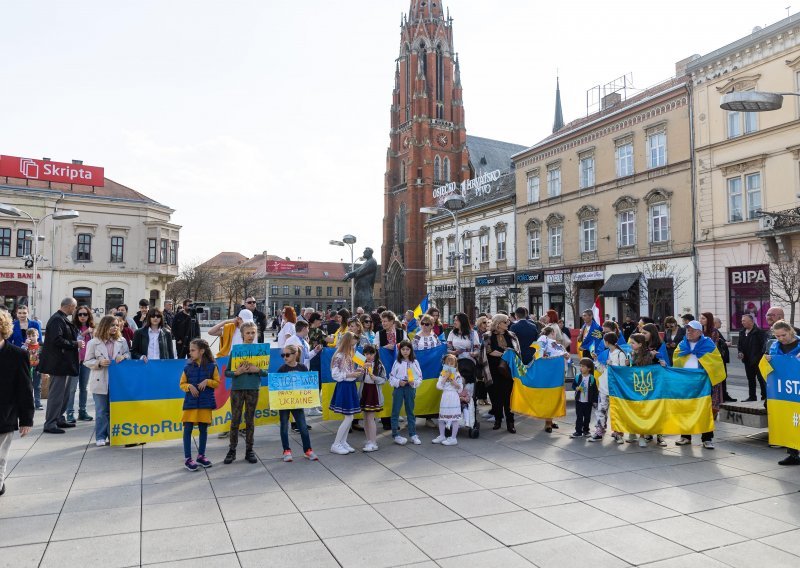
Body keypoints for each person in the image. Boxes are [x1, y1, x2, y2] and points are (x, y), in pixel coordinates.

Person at [0, 309, 34, 497]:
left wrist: (26, 419)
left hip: (5, 413)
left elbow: (25, 388)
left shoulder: (18, 354)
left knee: (0, 457)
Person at [38, 298, 84, 434]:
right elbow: (56, 340)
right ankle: (50, 423)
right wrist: (75, 344)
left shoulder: (61, 318)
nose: (75, 311)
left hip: (63, 363)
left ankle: (59, 418)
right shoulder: (57, 319)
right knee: (56, 395)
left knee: (64, 394)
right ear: (70, 306)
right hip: (58, 364)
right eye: (74, 308)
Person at [673, 320, 720, 450]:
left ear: (699, 332)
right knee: (685, 409)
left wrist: (702, 361)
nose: (689, 332)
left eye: (692, 330)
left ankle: (707, 438)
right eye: (687, 329)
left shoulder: (708, 344)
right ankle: (685, 437)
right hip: (686, 382)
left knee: (705, 410)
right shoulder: (682, 344)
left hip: (702, 383)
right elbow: (676, 359)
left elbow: (715, 362)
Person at [84, 315, 130, 447]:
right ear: (105, 326)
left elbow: (128, 355)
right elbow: (87, 361)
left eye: (116, 325)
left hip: (117, 381)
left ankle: (113, 435)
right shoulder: (94, 342)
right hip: (100, 379)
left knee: (115, 409)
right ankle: (100, 436)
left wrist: (123, 357)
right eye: (112, 325)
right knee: (101, 410)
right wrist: (99, 362)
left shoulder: (122, 341)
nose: (115, 327)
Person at [223, 321, 264, 464]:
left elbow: (265, 372)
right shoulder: (236, 351)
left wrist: (257, 370)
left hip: (253, 388)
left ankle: (249, 450)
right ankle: (232, 450)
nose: (251, 335)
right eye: (248, 333)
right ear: (242, 334)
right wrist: (236, 372)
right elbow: (227, 372)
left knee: (250, 420)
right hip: (237, 389)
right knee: (235, 419)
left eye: (253, 332)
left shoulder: (261, 350)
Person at [180, 339, 220, 471]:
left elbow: (217, 382)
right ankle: (187, 458)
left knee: (204, 429)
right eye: (190, 350)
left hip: (205, 403)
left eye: (193, 350)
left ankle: (201, 456)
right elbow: (182, 384)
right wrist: (189, 386)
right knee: (188, 429)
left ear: (201, 351)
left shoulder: (212, 366)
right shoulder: (187, 367)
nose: (190, 352)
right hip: (190, 403)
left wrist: (208, 381)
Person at [764, 320, 800, 466]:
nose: (781, 339)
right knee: (788, 422)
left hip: (797, 390)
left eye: (783, 335)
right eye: (777, 336)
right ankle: (793, 454)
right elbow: (769, 369)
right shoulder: (774, 347)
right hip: (784, 392)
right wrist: (767, 360)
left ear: (790, 331)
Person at [276, 343, 318, 462]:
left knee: (303, 426)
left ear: (296, 355)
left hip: (297, 403)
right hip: (284, 403)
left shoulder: (302, 368)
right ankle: (286, 450)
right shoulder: (282, 369)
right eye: (283, 355)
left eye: (287, 355)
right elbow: (276, 386)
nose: (285, 357)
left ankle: (308, 450)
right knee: (284, 426)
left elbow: (308, 385)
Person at [481, 314, 521, 433]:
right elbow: (488, 351)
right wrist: (505, 353)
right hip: (493, 370)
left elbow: (517, 351)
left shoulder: (512, 335)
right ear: (498, 323)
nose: (508, 323)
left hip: (508, 371)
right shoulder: (487, 336)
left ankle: (510, 422)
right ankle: (498, 420)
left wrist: (510, 353)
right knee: (496, 397)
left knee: (509, 398)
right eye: (505, 322)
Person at [592, 332, 628, 443]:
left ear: (607, 342)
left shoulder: (620, 354)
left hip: (616, 387)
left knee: (616, 410)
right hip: (604, 386)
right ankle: (600, 430)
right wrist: (596, 360)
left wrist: (611, 364)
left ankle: (618, 432)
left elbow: (622, 371)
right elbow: (601, 370)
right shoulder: (604, 353)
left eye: (604, 341)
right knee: (601, 409)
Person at [329, 332, 362, 455]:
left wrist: (357, 371)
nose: (356, 342)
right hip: (344, 386)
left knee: (350, 416)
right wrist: (351, 374)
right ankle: (336, 444)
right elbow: (335, 374)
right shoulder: (339, 356)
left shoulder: (349, 354)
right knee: (349, 417)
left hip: (350, 385)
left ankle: (343, 442)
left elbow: (348, 371)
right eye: (354, 339)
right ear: (349, 340)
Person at [389, 339, 422, 445]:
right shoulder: (397, 362)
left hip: (410, 388)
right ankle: (395, 434)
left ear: (411, 350)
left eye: (407, 349)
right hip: (399, 388)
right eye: (403, 349)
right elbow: (391, 378)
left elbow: (420, 377)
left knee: (410, 411)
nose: (405, 351)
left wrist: (414, 383)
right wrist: (398, 382)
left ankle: (413, 434)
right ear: (400, 351)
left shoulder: (415, 362)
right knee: (396, 411)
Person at [66, 306, 95, 423]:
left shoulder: (92, 328)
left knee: (84, 388)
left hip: (87, 361)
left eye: (85, 314)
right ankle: (70, 413)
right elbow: (74, 341)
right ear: (76, 316)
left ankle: (82, 411)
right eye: (80, 314)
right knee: (72, 389)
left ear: (89, 316)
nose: (82, 317)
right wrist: (84, 333)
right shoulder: (73, 327)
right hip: (75, 361)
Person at [285, 320, 316, 431]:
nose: (308, 330)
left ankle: (300, 422)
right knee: (295, 399)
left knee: (300, 399)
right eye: (307, 328)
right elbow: (286, 356)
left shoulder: (304, 341)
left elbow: (306, 357)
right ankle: (295, 423)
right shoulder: (291, 340)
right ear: (303, 329)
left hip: (303, 371)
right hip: (294, 372)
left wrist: (315, 351)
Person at [359, 344, 386, 452]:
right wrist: (361, 370)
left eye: (371, 353)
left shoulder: (379, 365)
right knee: (365, 417)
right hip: (364, 390)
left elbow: (384, 379)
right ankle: (369, 440)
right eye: (366, 354)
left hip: (373, 391)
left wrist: (375, 378)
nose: (368, 356)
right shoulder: (362, 363)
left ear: (375, 353)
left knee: (370, 417)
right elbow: (359, 378)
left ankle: (374, 442)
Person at [433, 353, 464, 446]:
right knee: (442, 418)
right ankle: (442, 435)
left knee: (454, 418)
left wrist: (455, 383)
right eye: (448, 363)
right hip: (445, 396)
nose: (450, 366)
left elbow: (460, 389)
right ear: (445, 364)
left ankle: (453, 438)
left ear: (455, 365)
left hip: (453, 397)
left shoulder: (457, 374)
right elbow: (438, 386)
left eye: (452, 364)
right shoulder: (442, 374)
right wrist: (445, 378)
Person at [738, 314, 768, 401]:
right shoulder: (742, 332)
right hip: (747, 360)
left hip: (758, 361)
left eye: (744, 321)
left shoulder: (759, 332)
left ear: (751, 321)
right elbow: (740, 345)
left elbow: (764, 346)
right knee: (750, 379)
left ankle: (764, 397)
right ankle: (752, 396)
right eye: (742, 321)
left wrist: (758, 357)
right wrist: (740, 352)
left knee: (761, 379)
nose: (742, 322)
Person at [571, 358, 598, 439]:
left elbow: (594, 391)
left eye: (583, 366)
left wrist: (595, 401)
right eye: (580, 366)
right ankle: (578, 431)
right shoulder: (577, 377)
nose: (581, 368)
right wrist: (576, 388)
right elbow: (573, 385)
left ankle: (586, 430)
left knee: (587, 417)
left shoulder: (592, 378)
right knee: (579, 416)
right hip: (579, 401)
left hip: (588, 402)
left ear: (589, 368)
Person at [23, 328, 43, 410]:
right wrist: (25, 345)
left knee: (37, 386)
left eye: (33, 335)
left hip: (37, 369)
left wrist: (43, 370)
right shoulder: (26, 346)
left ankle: (37, 403)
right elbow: (21, 352)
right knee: (28, 386)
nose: (31, 337)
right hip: (28, 368)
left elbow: (45, 358)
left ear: (38, 336)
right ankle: (29, 403)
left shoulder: (41, 346)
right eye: (29, 336)